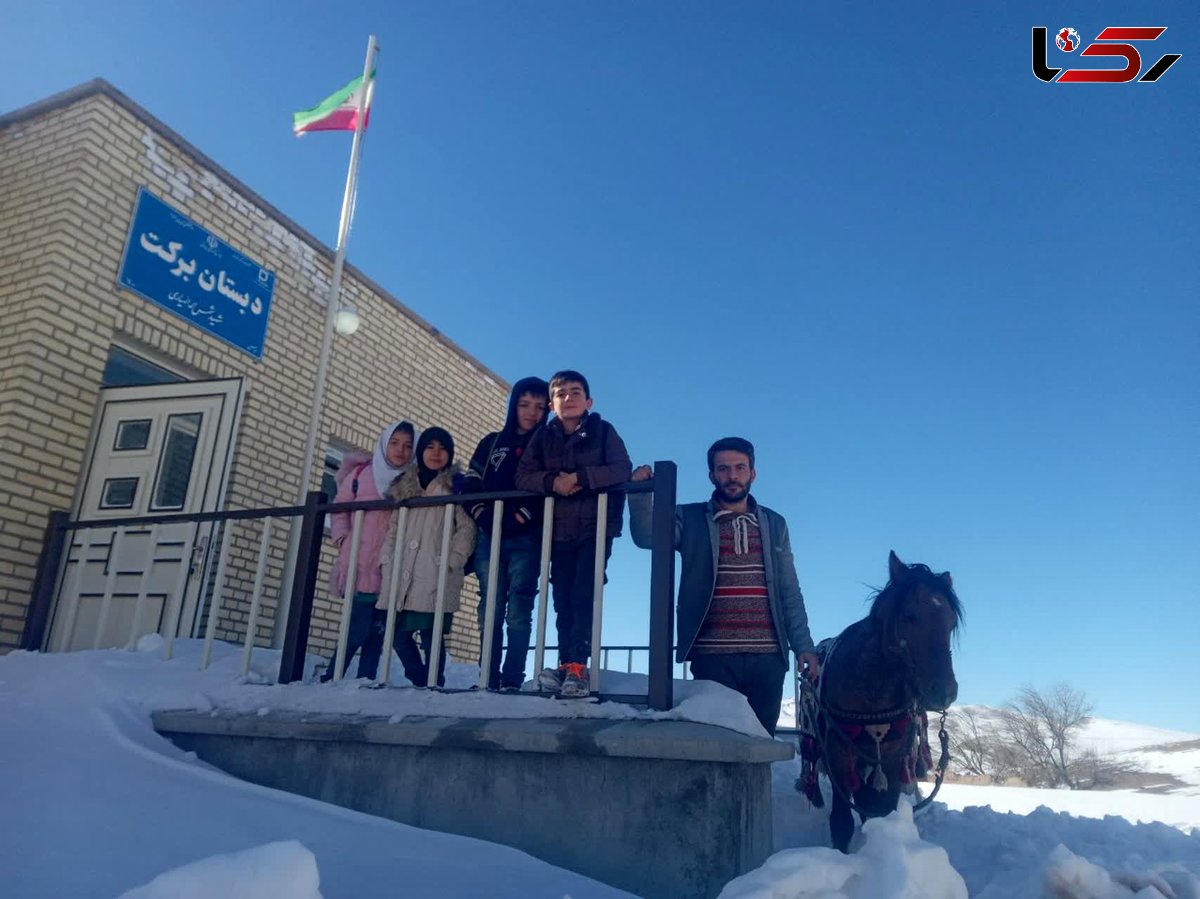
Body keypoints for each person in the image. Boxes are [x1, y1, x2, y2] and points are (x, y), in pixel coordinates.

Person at [628, 437, 819, 735]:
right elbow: (647, 537)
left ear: (752, 473)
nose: (732, 476)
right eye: (723, 469)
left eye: (740, 467)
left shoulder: (774, 524)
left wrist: (803, 645)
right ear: (712, 475)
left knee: (760, 743)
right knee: (715, 741)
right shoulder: (689, 517)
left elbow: (789, 590)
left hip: (768, 658)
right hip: (712, 656)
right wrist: (640, 495)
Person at [515, 370, 631, 698]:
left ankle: (578, 666)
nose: (569, 398)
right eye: (561, 393)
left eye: (576, 392)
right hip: (557, 532)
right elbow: (523, 476)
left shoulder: (603, 431)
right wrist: (553, 482)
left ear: (588, 401)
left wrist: (579, 478)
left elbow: (621, 468)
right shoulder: (544, 436)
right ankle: (566, 665)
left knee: (583, 594)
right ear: (552, 404)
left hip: (595, 530)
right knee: (562, 598)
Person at [462, 376, 550, 691]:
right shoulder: (492, 442)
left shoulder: (547, 445)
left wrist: (523, 516)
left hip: (527, 538)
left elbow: (548, 490)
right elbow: (470, 482)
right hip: (489, 535)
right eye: (525, 405)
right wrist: (482, 513)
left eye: (540, 407)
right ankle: (487, 677)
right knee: (490, 606)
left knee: (519, 609)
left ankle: (512, 678)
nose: (531, 412)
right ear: (514, 406)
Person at [376, 427, 476, 687]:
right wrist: (387, 558)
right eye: (429, 447)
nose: (436, 453)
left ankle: (434, 682)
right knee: (398, 633)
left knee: (431, 636)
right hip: (403, 570)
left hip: (436, 570)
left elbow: (466, 528)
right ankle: (420, 680)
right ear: (420, 452)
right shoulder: (405, 486)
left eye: (442, 448)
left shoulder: (455, 486)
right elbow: (394, 529)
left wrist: (453, 560)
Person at [322, 420, 415, 681]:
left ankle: (366, 678)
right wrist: (341, 537)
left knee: (378, 629)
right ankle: (332, 675)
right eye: (395, 443)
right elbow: (340, 505)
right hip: (359, 562)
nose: (400, 450)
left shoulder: (412, 480)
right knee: (357, 626)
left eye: (408, 445)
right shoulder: (362, 473)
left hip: (389, 565)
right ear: (384, 443)